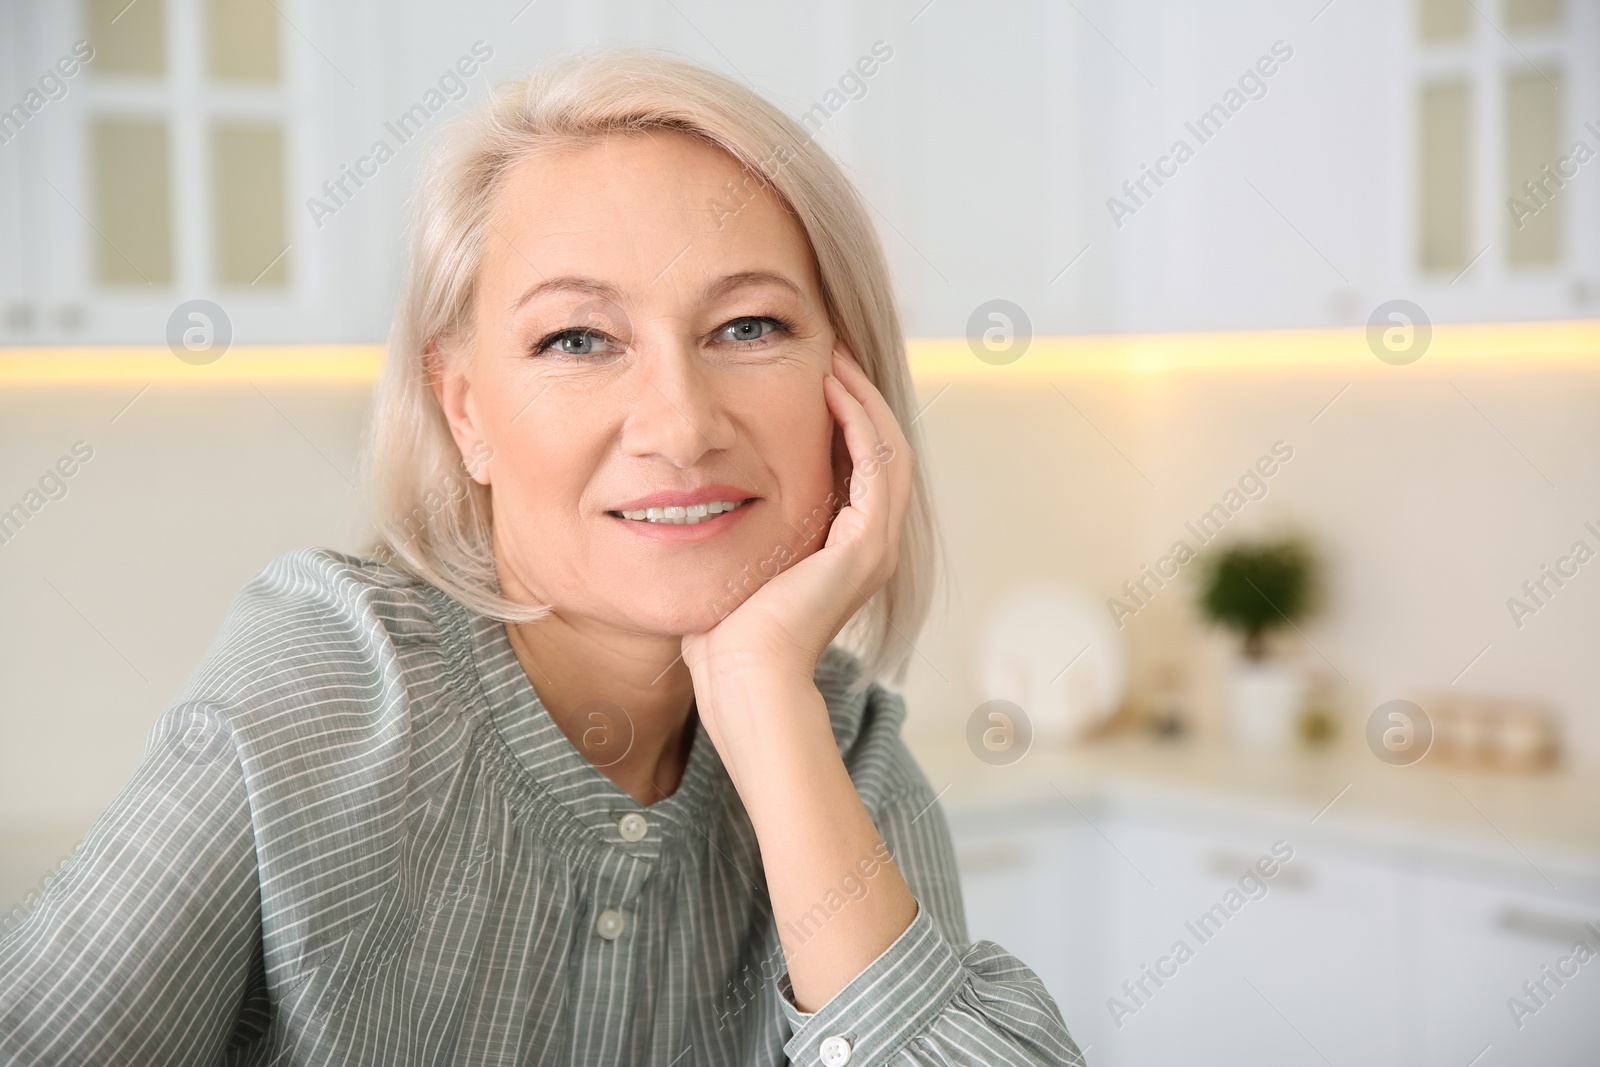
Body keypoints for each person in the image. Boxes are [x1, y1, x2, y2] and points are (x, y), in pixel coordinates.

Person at [0, 46, 1083, 1066]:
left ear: (847, 390)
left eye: (748, 326)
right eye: (577, 339)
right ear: (464, 408)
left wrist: (763, 695)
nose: (679, 424)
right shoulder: (328, 693)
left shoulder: (848, 759)